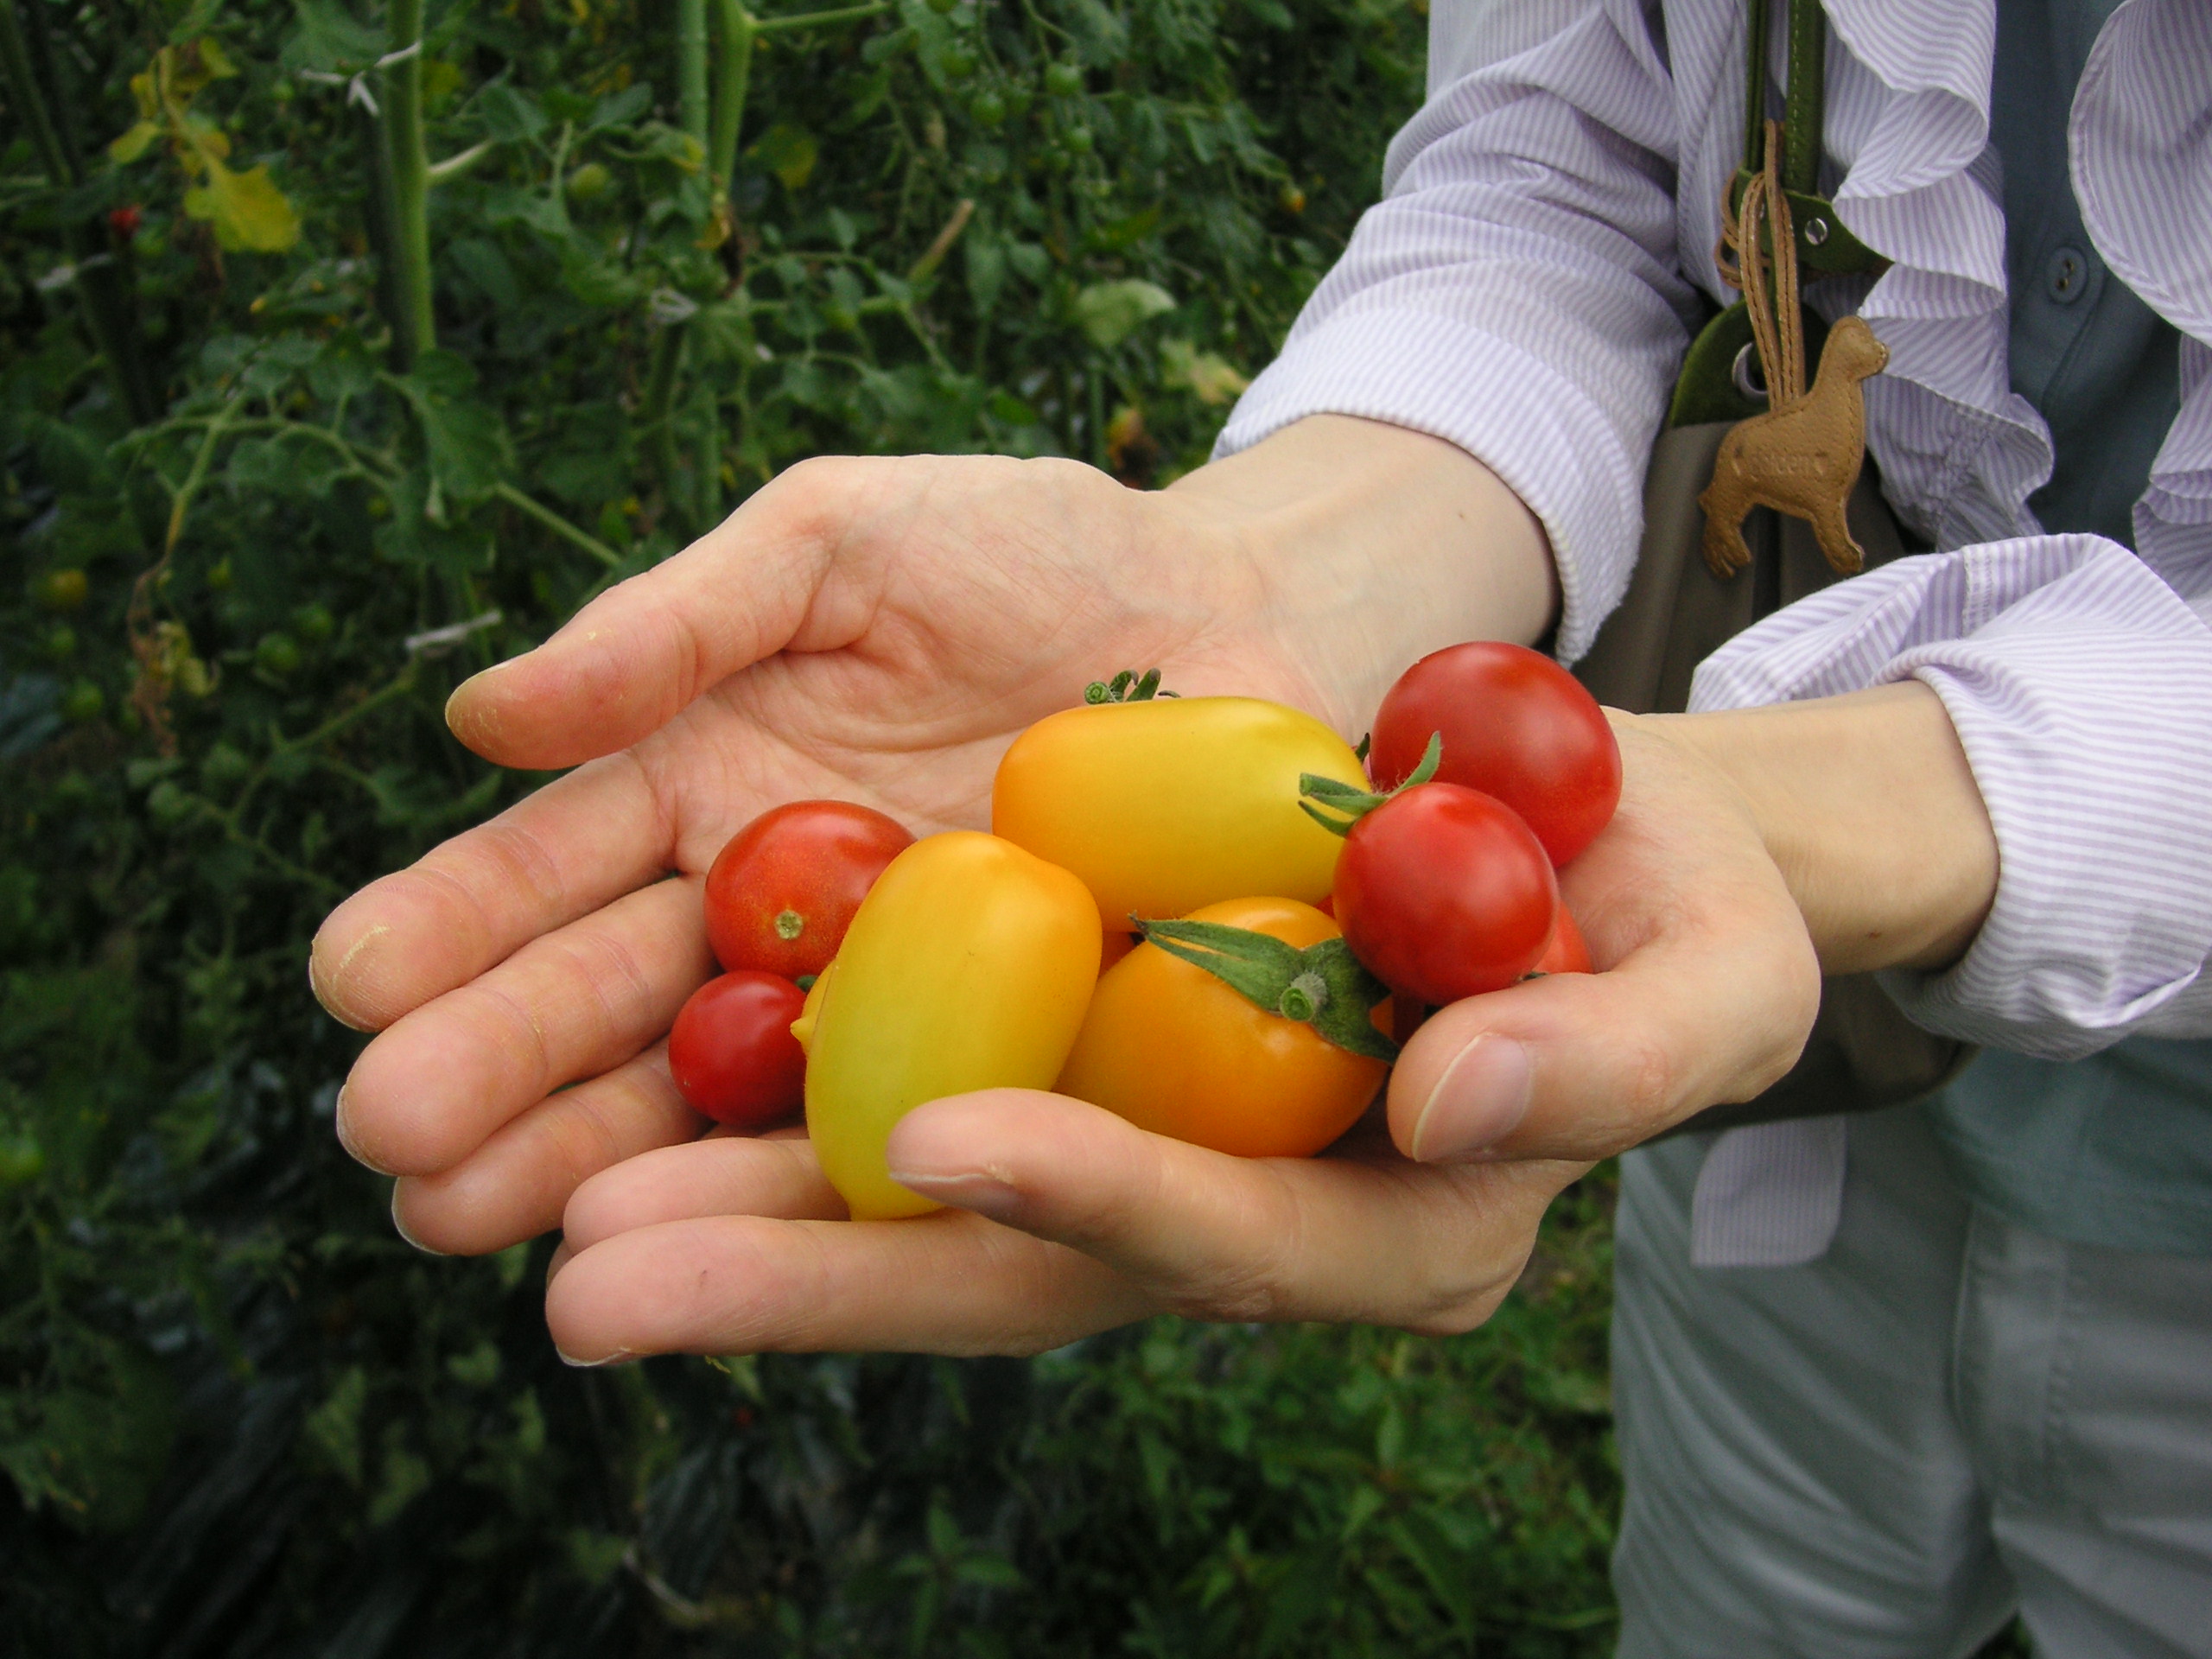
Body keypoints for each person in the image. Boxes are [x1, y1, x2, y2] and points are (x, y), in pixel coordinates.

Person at [311, 1, 2212, 1652]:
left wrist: (1844, 806)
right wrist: (1275, 574)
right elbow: (1566, 164)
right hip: (1784, 1136)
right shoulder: (1249, 888)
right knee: (1756, 1597)